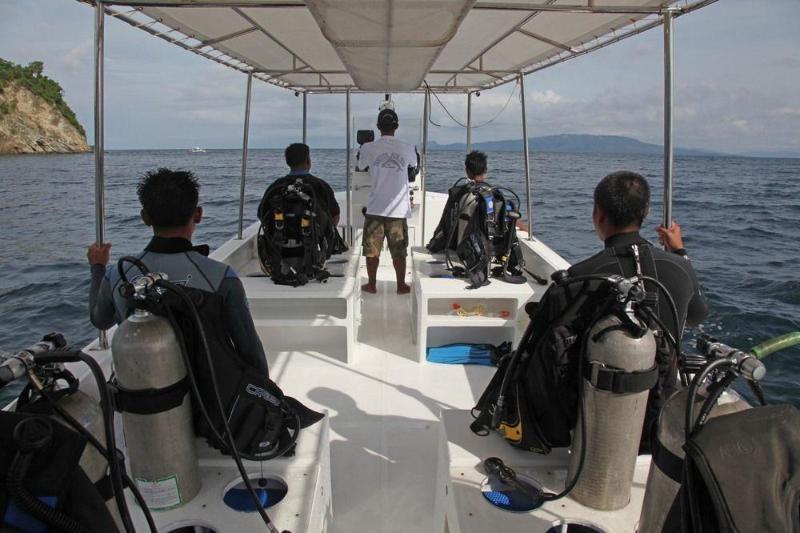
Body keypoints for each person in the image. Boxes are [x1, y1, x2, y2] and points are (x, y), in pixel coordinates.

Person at [567, 170, 709, 449]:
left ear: (598, 214)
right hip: (663, 407)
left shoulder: (581, 275)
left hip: (599, 409)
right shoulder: (679, 267)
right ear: (645, 212)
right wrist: (679, 253)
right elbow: (697, 315)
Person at [87, 168, 269, 376]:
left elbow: (100, 319)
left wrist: (97, 267)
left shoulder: (117, 274)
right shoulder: (222, 277)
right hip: (208, 399)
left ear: (145, 217)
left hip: (139, 398)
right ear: (198, 215)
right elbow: (250, 352)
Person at [359, 107, 417, 294]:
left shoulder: (368, 148)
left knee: (371, 251)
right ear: (397, 126)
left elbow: (360, 165)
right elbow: (414, 166)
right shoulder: (408, 148)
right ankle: (400, 286)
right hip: (398, 212)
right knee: (399, 251)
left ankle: (372, 284)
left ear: (377, 126)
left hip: (375, 208)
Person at [265, 143, 340, 226]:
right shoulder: (320, 186)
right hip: (314, 238)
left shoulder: (276, 186)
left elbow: (262, 214)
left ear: (287, 162)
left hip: (280, 238)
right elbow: (335, 215)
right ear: (308, 161)